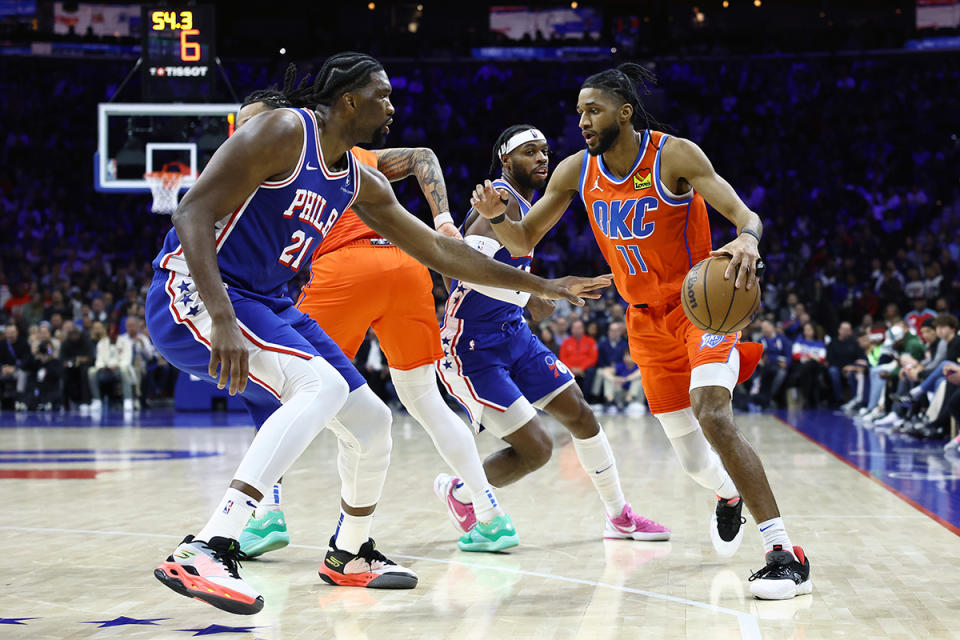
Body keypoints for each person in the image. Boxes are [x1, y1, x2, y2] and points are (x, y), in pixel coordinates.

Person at [147, 52, 609, 615]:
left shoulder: (359, 180)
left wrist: (547, 284)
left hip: (266, 301)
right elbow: (191, 211)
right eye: (382, 96)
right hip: (197, 292)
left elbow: (441, 251)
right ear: (348, 101)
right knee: (318, 387)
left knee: (371, 422)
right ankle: (208, 546)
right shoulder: (284, 129)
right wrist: (220, 318)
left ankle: (349, 553)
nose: (392, 107)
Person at [470, 63, 811, 600]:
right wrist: (495, 217)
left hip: (699, 309)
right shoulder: (575, 171)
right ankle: (728, 495)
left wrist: (747, 238)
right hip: (643, 321)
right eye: (579, 111)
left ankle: (783, 553)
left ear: (624, 113)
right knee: (694, 460)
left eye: (594, 110)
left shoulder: (674, 154)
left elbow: (745, 215)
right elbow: (522, 239)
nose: (582, 120)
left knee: (713, 413)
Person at [231, 69, 519, 556]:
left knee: (282, 390)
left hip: (345, 269)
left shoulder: (273, 164)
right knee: (425, 399)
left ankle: (265, 514)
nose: (244, 138)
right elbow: (424, 156)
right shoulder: (355, 156)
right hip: (406, 266)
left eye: (249, 127)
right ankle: (490, 516)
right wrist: (445, 222)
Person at [436, 124, 670, 545]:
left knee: (581, 414)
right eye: (530, 152)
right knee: (537, 449)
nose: (542, 158)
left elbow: (509, 275)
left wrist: (528, 297)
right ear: (506, 161)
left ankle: (620, 516)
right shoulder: (501, 200)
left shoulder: (526, 205)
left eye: (544, 150)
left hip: (512, 333)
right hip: (471, 344)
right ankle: (461, 493)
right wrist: (537, 291)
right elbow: (463, 273)